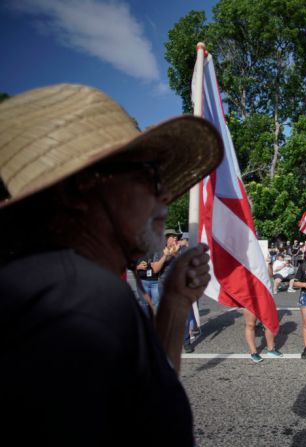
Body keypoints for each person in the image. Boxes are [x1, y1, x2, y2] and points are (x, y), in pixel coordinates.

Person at [0, 84, 223, 445]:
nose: (165, 193)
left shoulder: (52, 284)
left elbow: (146, 399)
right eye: (149, 174)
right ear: (80, 190)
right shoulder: (81, 301)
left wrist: (176, 302)